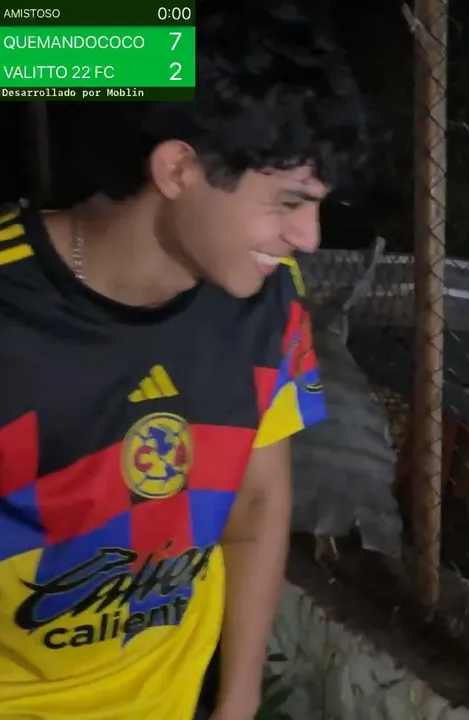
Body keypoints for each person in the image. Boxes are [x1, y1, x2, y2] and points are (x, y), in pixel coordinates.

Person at [0, 2, 368, 719]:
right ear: (177, 169)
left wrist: (237, 701)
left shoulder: (267, 302)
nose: (310, 236)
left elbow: (258, 505)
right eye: (289, 202)